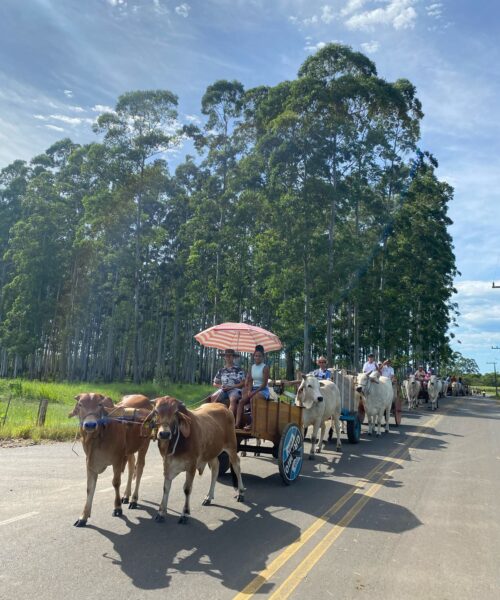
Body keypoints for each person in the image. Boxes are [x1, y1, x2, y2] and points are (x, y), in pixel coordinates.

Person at [235, 344, 270, 430]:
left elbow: (264, 384)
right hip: (254, 388)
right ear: (253, 356)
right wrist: (249, 391)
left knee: (252, 399)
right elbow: (250, 380)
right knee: (241, 401)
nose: (257, 358)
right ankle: (237, 424)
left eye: (259, 356)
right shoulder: (252, 367)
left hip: (263, 390)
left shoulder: (265, 367)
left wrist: (254, 392)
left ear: (263, 357)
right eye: (256, 356)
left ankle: (252, 423)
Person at [211, 349, 245, 421]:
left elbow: (243, 383)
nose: (228, 357)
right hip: (223, 389)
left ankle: (229, 421)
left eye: (230, 356)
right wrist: (221, 386)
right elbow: (214, 383)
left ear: (233, 357)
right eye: (227, 356)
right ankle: (213, 418)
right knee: (213, 397)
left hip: (235, 389)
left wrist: (231, 387)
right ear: (224, 357)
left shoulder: (239, 369)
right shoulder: (221, 370)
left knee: (233, 399)